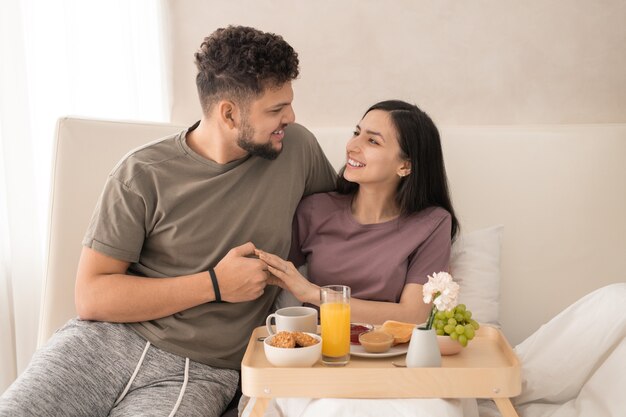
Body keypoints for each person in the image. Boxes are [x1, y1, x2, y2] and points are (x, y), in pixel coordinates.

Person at [0, 25, 336, 417]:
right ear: (229, 113)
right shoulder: (143, 172)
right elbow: (91, 296)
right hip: (100, 344)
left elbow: (349, 226)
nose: (290, 117)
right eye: (275, 110)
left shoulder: (297, 150)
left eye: (288, 104)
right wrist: (215, 284)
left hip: (198, 371)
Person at [242, 100, 478, 417]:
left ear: (405, 165)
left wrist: (314, 294)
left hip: (398, 365)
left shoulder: (431, 223)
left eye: (372, 140)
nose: (353, 146)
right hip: (325, 363)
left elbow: (413, 314)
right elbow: (264, 271)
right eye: (357, 132)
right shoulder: (315, 210)